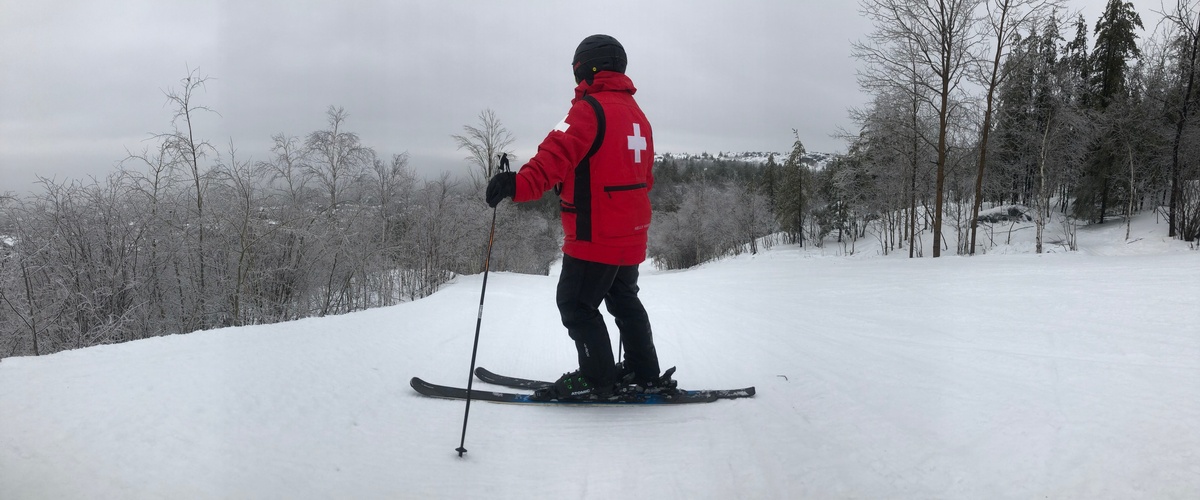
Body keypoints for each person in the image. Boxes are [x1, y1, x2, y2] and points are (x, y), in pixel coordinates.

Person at [485, 34, 674, 400]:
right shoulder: (639, 116)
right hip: (631, 233)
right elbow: (644, 176)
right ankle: (643, 368)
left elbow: (554, 157)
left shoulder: (588, 110)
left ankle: (596, 377)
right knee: (623, 300)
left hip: (595, 233)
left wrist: (516, 184)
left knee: (575, 304)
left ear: (585, 68)